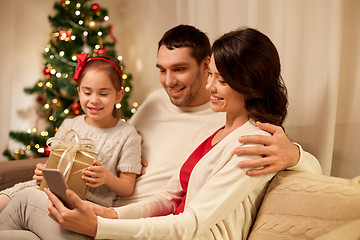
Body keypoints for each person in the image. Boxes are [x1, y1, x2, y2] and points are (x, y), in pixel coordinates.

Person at [0, 25, 321, 239]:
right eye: (211, 75)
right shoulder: (213, 131)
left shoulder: (251, 143)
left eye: (219, 79)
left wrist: (100, 226)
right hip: (131, 220)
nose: (210, 86)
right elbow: (169, 198)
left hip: (161, 234)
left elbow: (192, 223)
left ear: (249, 84)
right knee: (21, 216)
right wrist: (107, 213)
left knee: (26, 204)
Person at [0, 53, 142, 211]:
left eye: (103, 93)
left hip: (88, 204)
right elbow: (53, 165)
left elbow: (127, 187)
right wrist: (43, 173)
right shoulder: (69, 125)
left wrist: (107, 178)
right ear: (79, 91)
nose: (94, 100)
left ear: (118, 95)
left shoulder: (128, 135)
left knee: (28, 202)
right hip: (53, 191)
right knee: (10, 197)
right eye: (87, 93)